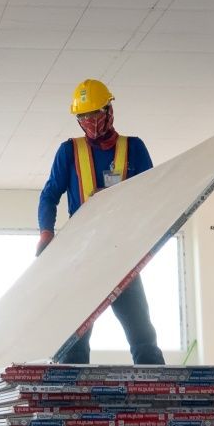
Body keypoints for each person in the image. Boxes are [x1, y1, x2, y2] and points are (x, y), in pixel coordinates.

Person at [37, 78, 165, 365]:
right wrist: (46, 233)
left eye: (95, 114)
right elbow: (49, 196)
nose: (90, 122)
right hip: (81, 257)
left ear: (109, 110)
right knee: (74, 341)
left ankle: (158, 398)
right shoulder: (69, 151)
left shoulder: (134, 148)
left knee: (142, 334)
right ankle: (72, 405)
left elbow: (153, 195)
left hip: (121, 254)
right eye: (83, 117)